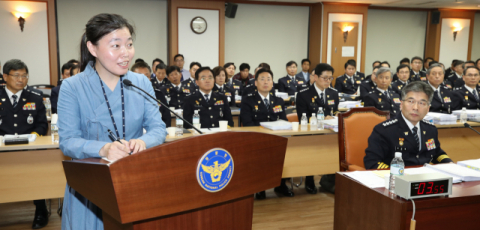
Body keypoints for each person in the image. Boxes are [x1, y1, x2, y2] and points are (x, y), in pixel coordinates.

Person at [58, 13, 166, 230]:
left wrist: (143, 142)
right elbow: (68, 141)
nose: (126, 53)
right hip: (91, 186)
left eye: (129, 44)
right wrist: (104, 149)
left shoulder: (141, 82)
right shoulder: (72, 87)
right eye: (116, 45)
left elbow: (158, 128)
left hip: (135, 180)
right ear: (92, 48)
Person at [1, 59, 48, 229]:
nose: (21, 79)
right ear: (5, 76)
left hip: (29, 148)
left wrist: (34, 137)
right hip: (1, 149)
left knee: (37, 173)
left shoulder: (34, 97)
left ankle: (41, 210)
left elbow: (42, 124)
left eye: (24, 76)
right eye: (16, 75)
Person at [364, 81, 453, 169]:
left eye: (422, 103)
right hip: (397, 179)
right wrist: (396, 174)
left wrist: (450, 164)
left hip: (423, 178)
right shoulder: (384, 130)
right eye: (411, 101)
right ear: (401, 104)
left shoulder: (430, 129)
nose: (415, 108)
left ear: (428, 109)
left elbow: (436, 153)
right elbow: (372, 162)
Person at [240, 68, 289, 199]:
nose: (266, 82)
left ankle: (281, 184)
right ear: (255, 83)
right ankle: (260, 187)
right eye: (262, 79)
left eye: (269, 79)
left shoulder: (278, 100)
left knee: (286, 152)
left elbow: (284, 120)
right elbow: (247, 123)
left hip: (277, 138)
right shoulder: (248, 100)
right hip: (257, 138)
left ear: (273, 83)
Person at [296, 63, 339, 194]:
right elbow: (302, 118)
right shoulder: (303, 94)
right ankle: (309, 179)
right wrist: (320, 120)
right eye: (324, 78)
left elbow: (335, 112)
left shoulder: (333, 93)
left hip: (330, 132)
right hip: (311, 133)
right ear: (315, 77)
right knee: (312, 149)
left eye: (330, 78)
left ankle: (330, 179)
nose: (328, 81)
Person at [132, 62, 171, 126]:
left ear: (150, 78)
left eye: (147, 76)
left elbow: (166, 118)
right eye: (139, 76)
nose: (143, 79)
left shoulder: (158, 94)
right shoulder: (127, 96)